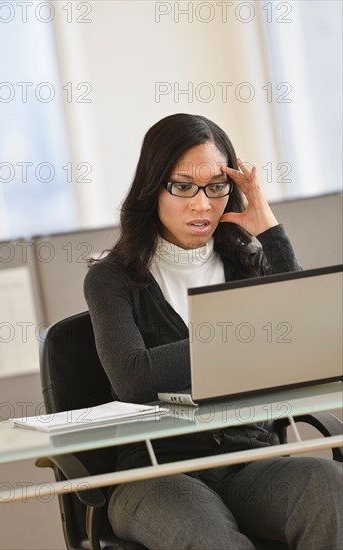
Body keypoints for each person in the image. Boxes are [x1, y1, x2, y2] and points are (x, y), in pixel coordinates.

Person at [84, 113, 342, 549]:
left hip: (247, 460)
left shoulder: (246, 265)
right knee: (207, 537)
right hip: (157, 473)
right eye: (183, 186)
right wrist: (238, 333)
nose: (202, 204)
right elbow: (134, 378)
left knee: (330, 491)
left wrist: (269, 231)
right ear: (153, 188)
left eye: (216, 187)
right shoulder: (111, 278)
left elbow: (306, 340)